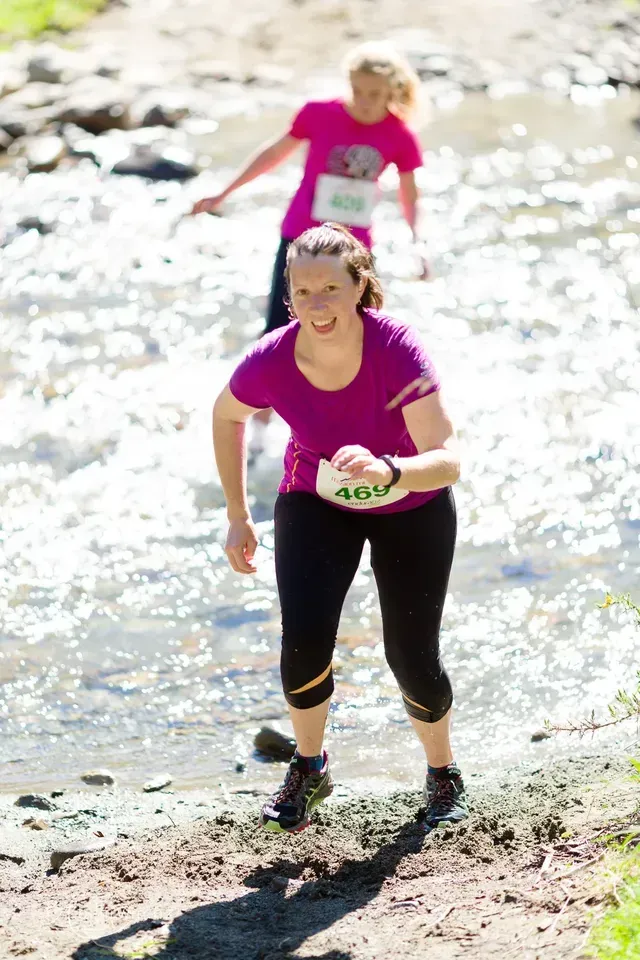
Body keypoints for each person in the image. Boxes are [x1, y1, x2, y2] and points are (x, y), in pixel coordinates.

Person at [212, 222, 468, 835]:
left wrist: (391, 469)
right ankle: (309, 764)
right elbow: (225, 417)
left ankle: (442, 771)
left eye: (330, 288)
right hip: (314, 501)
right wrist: (237, 515)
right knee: (302, 643)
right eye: (303, 292)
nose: (316, 304)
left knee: (411, 655)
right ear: (289, 296)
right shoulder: (271, 359)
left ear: (360, 287)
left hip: (411, 504)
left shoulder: (395, 349)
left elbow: (449, 458)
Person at [192, 41, 427, 342]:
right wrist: (223, 194)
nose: (365, 101)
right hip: (300, 236)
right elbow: (273, 154)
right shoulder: (319, 114)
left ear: (391, 91)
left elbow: (410, 194)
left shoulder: (400, 135)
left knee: (356, 336)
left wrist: (417, 241)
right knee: (281, 332)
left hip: (353, 248)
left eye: (375, 94)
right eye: (358, 91)